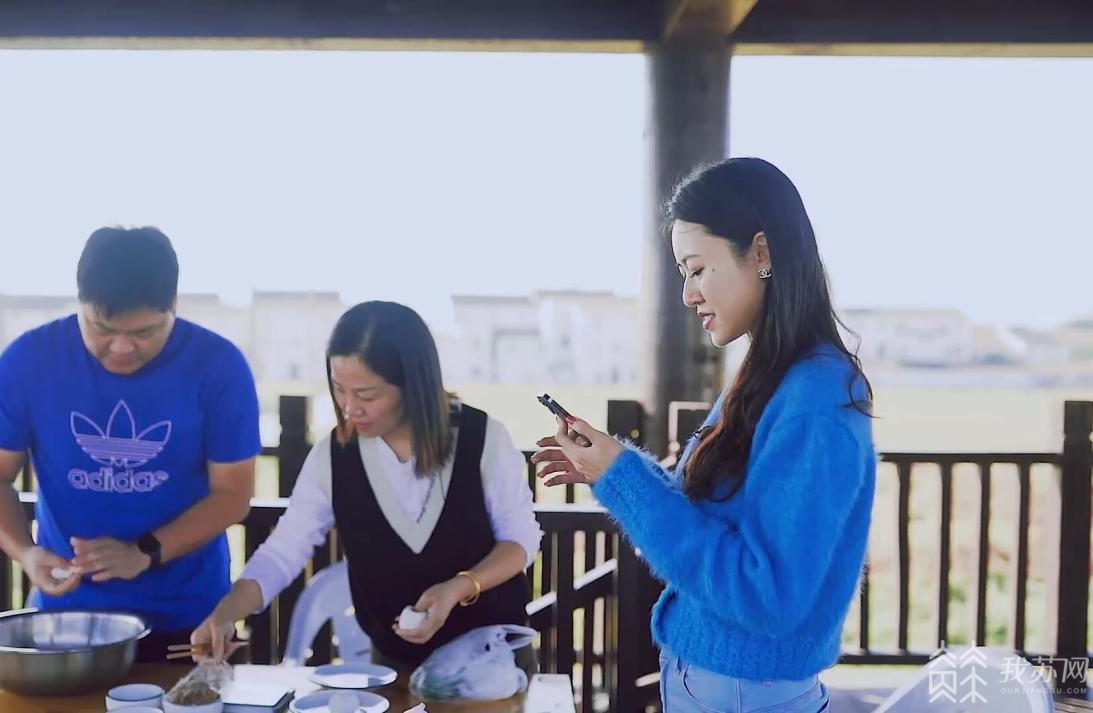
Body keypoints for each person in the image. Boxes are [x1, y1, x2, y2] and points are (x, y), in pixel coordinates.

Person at [532, 158, 875, 712]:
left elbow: (767, 596)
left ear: (761, 253)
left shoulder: (815, 398)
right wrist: (613, 470)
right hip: (726, 686)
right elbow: (711, 519)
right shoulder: (769, 375)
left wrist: (621, 477)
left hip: (743, 695)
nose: (688, 295)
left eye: (696, 269)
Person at [192, 301, 541, 674]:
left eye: (367, 395)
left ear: (413, 386)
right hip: (392, 668)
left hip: (495, 666)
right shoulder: (334, 456)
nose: (349, 408)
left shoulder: (483, 440)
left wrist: (458, 587)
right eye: (339, 390)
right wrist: (226, 613)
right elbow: (284, 551)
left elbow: (521, 542)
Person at [0, 226, 261, 661]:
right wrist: (27, 553)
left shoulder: (218, 366)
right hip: (66, 620)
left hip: (190, 622)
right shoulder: (29, 361)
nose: (121, 348)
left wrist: (145, 552)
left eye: (145, 332)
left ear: (174, 305)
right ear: (80, 303)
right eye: (101, 328)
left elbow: (233, 494)